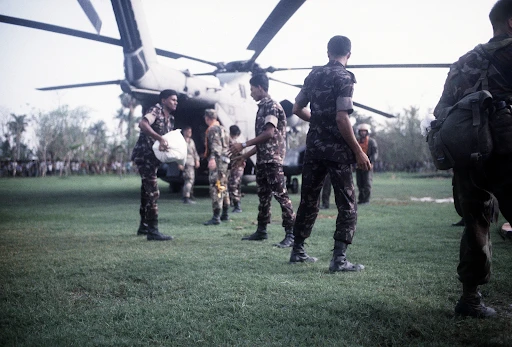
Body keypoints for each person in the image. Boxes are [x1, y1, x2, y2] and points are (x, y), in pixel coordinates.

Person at [433, 0, 512, 318]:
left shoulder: (464, 61)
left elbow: (441, 111)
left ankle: (470, 298)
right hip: (506, 152)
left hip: (469, 156)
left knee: (476, 225)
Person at [290, 35, 372, 270]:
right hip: (337, 151)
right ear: (349, 54)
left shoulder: (313, 75)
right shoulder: (344, 77)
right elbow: (341, 116)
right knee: (347, 203)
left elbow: (297, 108)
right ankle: (339, 259)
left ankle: (298, 250)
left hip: (314, 148)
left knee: (309, 200)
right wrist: (358, 151)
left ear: (327, 52)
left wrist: (317, 121)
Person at [230, 73, 296, 248]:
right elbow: (264, 140)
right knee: (264, 196)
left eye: (252, 89)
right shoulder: (263, 107)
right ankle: (261, 230)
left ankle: (291, 234)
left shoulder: (271, 106)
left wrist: (243, 144)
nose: (251, 93)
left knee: (281, 195)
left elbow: (269, 133)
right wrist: (245, 155)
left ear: (260, 87)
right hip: (263, 159)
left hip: (272, 160)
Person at [131, 89, 178, 241]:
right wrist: (159, 138)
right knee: (153, 192)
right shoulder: (155, 110)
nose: (175, 102)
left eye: (176, 100)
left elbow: (166, 140)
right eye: (172, 99)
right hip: (144, 156)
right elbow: (143, 124)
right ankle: (153, 230)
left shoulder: (170, 119)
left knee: (146, 192)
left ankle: (144, 226)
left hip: (154, 159)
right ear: (163, 100)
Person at [203, 109, 231, 225]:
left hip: (218, 160)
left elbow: (215, 146)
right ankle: (225, 214)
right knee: (223, 186)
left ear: (207, 118)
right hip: (225, 161)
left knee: (216, 186)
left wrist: (213, 158)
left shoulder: (213, 129)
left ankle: (216, 217)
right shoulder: (223, 128)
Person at [355, 123, 378, 204]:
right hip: (358, 166)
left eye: (364, 131)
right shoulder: (356, 141)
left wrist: (371, 162)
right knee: (359, 184)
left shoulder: (371, 141)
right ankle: (361, 199)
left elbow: (375, 153)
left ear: (367, 132)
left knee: (367, 183)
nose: (363, 133)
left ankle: (366, 200)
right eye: (361, 131)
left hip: (368, 166)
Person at [228, 125, 245, 213]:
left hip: (236, 167)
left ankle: (237, 205)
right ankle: (235, 203)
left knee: (233, 185)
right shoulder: (238, 143)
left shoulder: (232, 143)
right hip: (238, 167)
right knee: (236, 185)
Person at [181, 126, 200, 205]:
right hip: (185, 162)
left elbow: (194, 151)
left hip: (191, 162)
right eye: (188, 131)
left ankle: (189, 194)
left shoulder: (191, 141)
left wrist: (197, 160)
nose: (189, 133)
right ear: (184, 132)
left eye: (190, 131)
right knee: (189, 179)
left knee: (191, 180)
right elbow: (178, 154)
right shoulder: (181, 142)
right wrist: (179, 163)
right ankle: (186, 197)